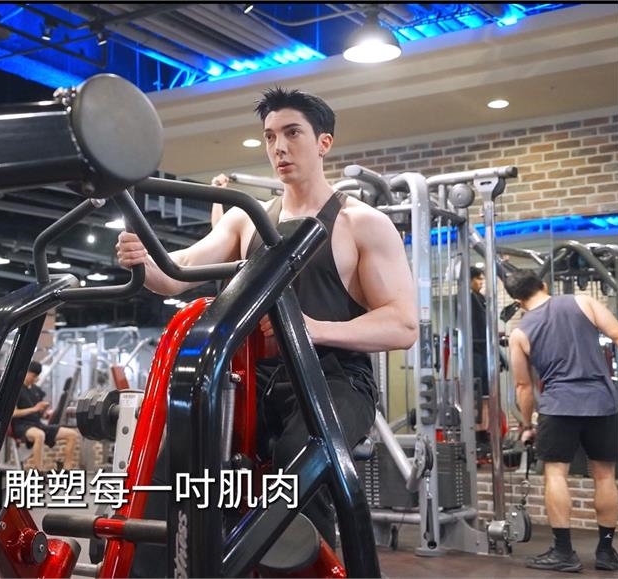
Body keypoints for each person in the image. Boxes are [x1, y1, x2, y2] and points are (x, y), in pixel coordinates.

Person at [116, 86, 418, 555]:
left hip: (334, 379)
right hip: (255, 377)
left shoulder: (361, 223)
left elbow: (403, 325)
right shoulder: (248, 220)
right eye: (270, 136)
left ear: (324, 142)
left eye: (292, 133)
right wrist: (143, 260)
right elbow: (176, 274)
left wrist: (312, 330)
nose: (279, 147)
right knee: (181, 453)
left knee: (300, 459)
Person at [505, 270, 618, 572]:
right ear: (544, 286)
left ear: (518, 301)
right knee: (605, 476)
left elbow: (523, 386)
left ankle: (564, 552)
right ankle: (606, 552)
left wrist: (527, 424)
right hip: (602, 402)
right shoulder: (583, 302)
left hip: (559, 407)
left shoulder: (519, 333)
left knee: (556, 475)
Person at [11, 361, 80, 471]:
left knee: (72, 435)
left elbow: (39, 413)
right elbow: (13, 413)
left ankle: (67, 469)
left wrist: (45, 413)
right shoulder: (15, 390)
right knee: (40, 435)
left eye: (37, 376)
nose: (35, 379)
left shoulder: (36, 390)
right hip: (22, 425)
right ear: (26, 372)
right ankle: (39, 471)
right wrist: (35, 408)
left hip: (37, 424)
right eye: (33, 376)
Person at [470, 265, 493, 459]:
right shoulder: (467, 299)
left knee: (485, 396)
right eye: (478, 279)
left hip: (485, 352)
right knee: (475, 397)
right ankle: (476, 434)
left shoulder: (482, 299)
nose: (481, 283)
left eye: (482, 280)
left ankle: (484, 434)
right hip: (473, 354)